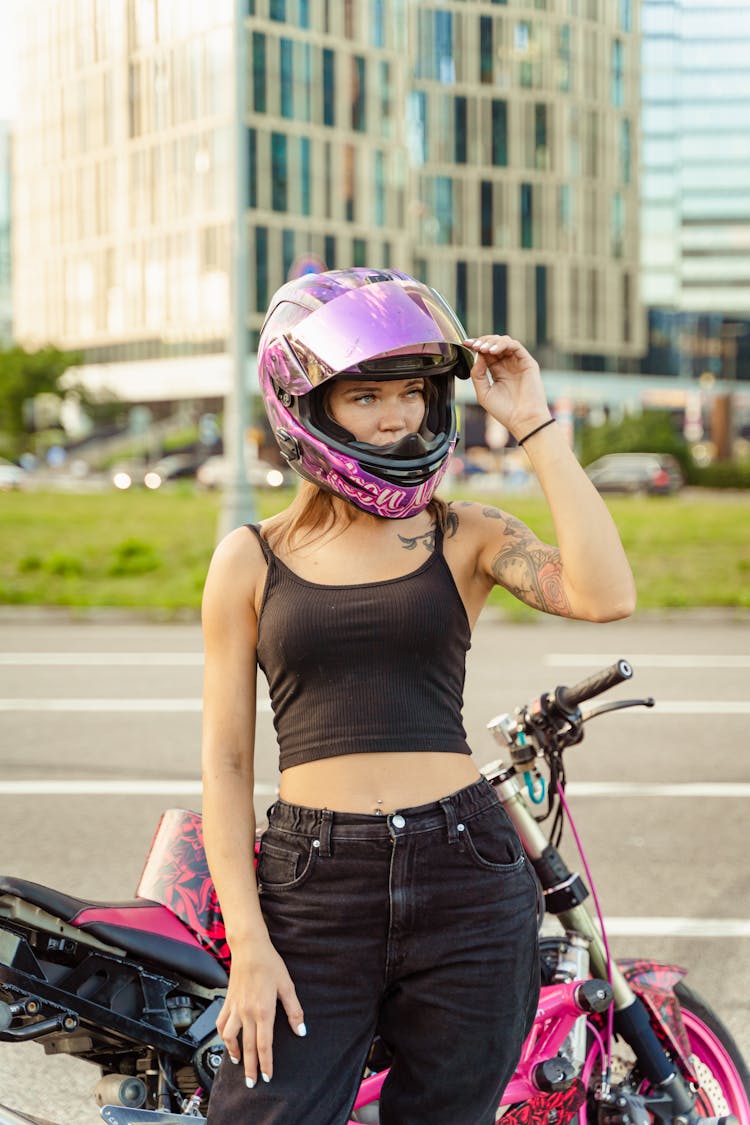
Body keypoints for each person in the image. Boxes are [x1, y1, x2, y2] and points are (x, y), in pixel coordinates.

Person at [201, 268, 636, 1125]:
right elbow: (224, 763)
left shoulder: (465, 533)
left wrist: (535, 426)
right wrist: (248, 941)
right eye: (367, 395)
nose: (398, 416)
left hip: (466, 870)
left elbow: (604, 592)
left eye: (412, 392)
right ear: (307, 405)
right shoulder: (249, 558)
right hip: (314, 883)